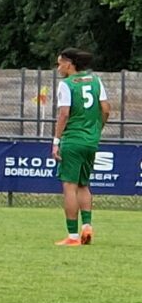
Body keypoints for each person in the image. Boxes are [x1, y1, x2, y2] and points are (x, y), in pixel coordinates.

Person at [52, 47, 110, 246]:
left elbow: (64, 114)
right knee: (84, 184)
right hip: (91, 141)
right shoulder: (95, 80)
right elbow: (106, 109)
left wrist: (56, 141)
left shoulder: (66, 85)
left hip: (73, 139)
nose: (58, 67)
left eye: (60, 63)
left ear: (69, 63)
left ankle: (73, 236)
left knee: (69, 186)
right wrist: (97, 129)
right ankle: (87, 226)